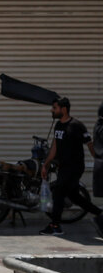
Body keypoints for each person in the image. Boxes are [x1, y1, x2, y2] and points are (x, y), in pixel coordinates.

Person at [40, 95, 103, 236]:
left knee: (58, 192)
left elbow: (90, 144)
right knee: (74, 196)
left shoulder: (77, 126)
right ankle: (100, 214)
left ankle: (55, 225)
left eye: (54, 108)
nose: (52, 110)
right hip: (63, 167)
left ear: (64, 109)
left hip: (74, 167)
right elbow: (54, 147)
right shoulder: (58, 125)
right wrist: (45, 165)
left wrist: (99, 160)